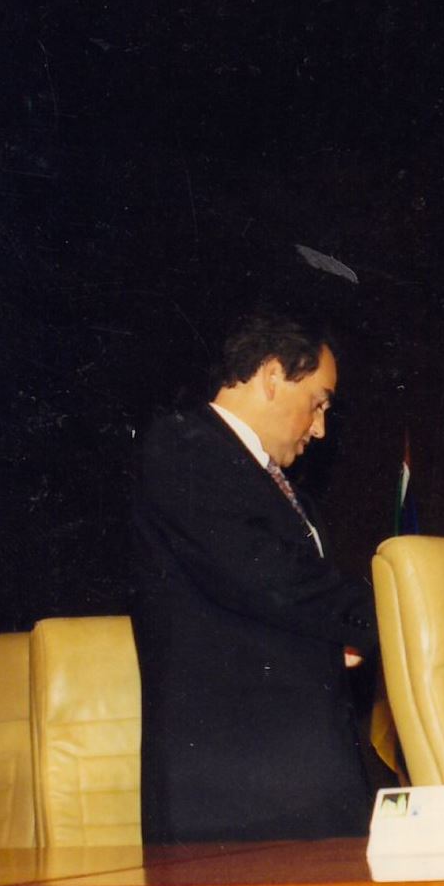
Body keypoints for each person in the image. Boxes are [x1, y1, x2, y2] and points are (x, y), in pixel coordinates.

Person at [132, 310, 377, 842]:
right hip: (231, 797)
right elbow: (268, 580)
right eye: (318, 402)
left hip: (303, 779)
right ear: (272, 376)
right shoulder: (184, 446)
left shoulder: (281, 489)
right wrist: (396, 613)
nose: (320, 428)